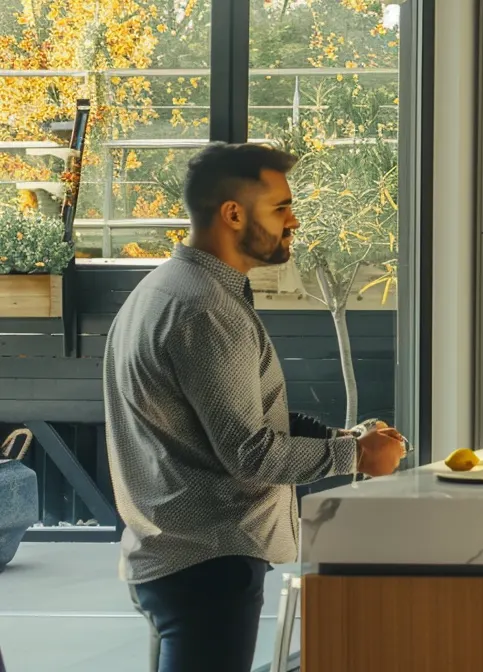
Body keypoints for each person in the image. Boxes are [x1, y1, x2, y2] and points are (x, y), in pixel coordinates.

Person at [102, 142, 409, 672]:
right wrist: (354, 459)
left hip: (181, 559)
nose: (294, 220)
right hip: (207, 565)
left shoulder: (168, 289)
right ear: (234, 213)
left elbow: (243, 416)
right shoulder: (204, 310)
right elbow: (248, 451)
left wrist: (345, 439)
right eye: (281, 207)